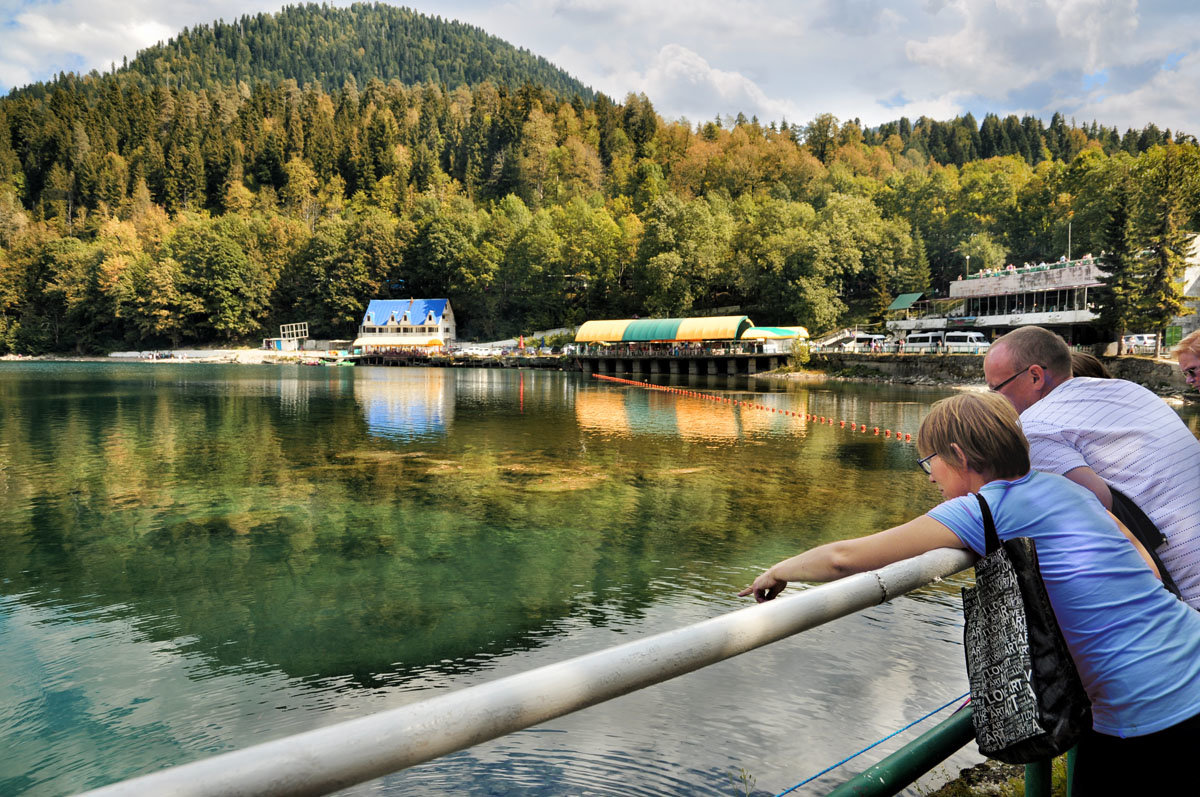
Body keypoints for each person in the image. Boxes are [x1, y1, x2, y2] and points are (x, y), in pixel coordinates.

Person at [740, 393, 1200, 792]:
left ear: (958, 456)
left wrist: (779, 571)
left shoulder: (982, 509)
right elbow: (1145, 563)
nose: (929, 477)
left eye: (929, 463)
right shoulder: (1061, 487)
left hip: (1148, 706)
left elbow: (845, 557)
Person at [983, 326, 1200, 607]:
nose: (995, 401)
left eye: (996, 389)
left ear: (1035, 376)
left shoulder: (1036, 428)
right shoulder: (1128, 390)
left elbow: (1096, 508)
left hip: (1188, 597)